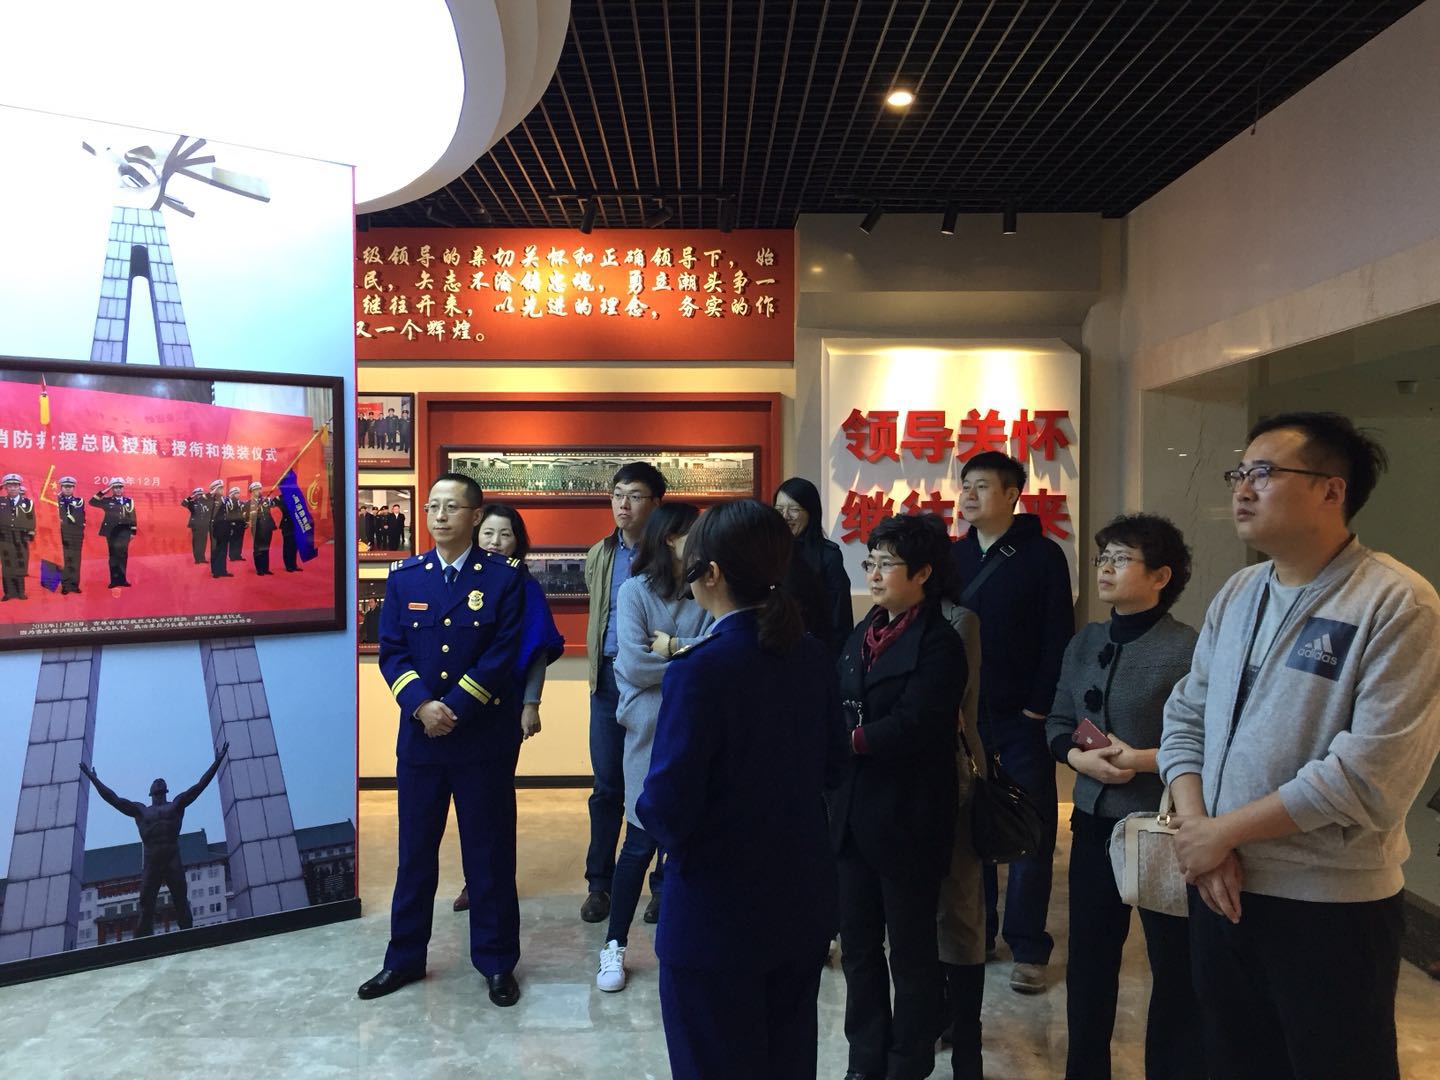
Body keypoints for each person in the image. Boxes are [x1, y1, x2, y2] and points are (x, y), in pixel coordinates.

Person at [1159, 412, 1440, 1080]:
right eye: (1238, 473)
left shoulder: (1395, 602)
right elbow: (1185, 715)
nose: (1242, 489)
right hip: (1220, 890)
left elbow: (1369, 774)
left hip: (1329, 907)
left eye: (1263, 473)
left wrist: (1222, 833)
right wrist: (1201, 833)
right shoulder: (1240, 593)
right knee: (1231, 1062)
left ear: (1330, 490)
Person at [637, 499, 846, 1079]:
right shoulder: (810, 654)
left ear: (711, 574)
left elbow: (668, 806)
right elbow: (835, 766)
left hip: (716, 911)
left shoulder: (699, 669)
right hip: (798, 900)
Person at [359, 474, 527, 1008]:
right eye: (433, 506)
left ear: (475, 516)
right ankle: (404, 958)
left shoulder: (503, 579)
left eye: (451, 507)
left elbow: (502, 654)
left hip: (482, 741)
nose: (439, 515)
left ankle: (496, 962)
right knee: (414, 856)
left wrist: (453, 708)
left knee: (489, 855)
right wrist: (421, 706)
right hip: (422, 743)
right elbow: (391, 651)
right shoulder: (406, 577)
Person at [1044, 514, 1203, 1080]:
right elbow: (1058, 721)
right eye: (1102, 558)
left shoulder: (1187, 648)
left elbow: (1208, 742)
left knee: (1176, 970)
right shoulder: (1086, 640)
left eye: (1120, 559)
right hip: (1093, 825)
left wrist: (1139, 760)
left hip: (1163, 829)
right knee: (1088, 966)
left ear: (1161, 576)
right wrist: (1076, 758)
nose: (1105, 568)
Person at [832, 512, 967, 1080]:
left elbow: (919, 723)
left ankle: (908, 1063)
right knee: (859, 950)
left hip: (909, 816)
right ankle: (864, 1060)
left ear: (923, 573)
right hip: (851, 817)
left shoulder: (940, 642)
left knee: (911, 953)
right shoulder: (862, 632)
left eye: (887, 564)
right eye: (871, 562)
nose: (875, 573)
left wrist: (850, 741)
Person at [950, 450, 1073, 993]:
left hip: (1022, 718)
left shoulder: (1043, 556)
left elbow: (1057, 635)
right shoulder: (953, 557)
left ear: (1011, 495)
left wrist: (1038, 707)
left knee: (1030, 829)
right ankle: (979, 933)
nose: (969, 495)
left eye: (981, 486)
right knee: (969, 827)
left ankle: (1028, 946)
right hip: (964, 718)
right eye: (965, 486)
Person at [595, 501, 710, 993]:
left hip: (697, 730)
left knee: (692, 845)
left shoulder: (707, 589)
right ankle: (614, 946)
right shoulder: (634, 591)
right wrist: (688, 656)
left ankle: (691, 947)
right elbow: (634, 666)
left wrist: (671, 648)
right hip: (646, 733)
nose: (702, 542)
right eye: (693, 534)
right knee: (639, 843)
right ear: (668, 539)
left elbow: (719, 653)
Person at [452, 502, 565, 913]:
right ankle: (474, 880)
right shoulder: (457, 581)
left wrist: (531, 703)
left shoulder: (524, 586)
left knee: (494, 798)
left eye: (505, 534)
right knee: (466, 799)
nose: (495, 542)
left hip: (503, 706)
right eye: (488, 533)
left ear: (518, 542)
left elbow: (537, 651)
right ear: (475, 535)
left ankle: (497, 882)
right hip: (459, 707)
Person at [581, 461, 668, 924]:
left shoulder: (670, 554)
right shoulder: (600, 553)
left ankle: (662, 886)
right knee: (607, 787)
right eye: (617, 494)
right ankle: (600, 884)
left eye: (634, 495)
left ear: (656, 503)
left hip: (655, 680)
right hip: (608, 680)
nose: (623, 504)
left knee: (661, 782)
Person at [79, 742, 229, 936]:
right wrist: (93, 778)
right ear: (151, 793)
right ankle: (143, 940)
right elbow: (114, 799)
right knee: (146, 903)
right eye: (156, 786)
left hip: (172, 857)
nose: (158, 784)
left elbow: (199, 787)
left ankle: (188, 937)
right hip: (152, 861)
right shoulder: (141, 811)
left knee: (181, 901)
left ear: (165, 791)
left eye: (160, 785)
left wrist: (217, 762)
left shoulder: (176, 805)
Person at [774, 476, 853, 655]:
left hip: (814, 651)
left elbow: (840, 616)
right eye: (779, 509)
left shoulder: (828, 555)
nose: (785, 516)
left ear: (811, 512)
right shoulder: (767, 552)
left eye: (794, 509)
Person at [90, 478, 138, 588]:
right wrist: (104, 491)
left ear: (123, 488)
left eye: (120, 487)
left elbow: (133, 516)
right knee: (113, 556)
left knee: (123, 555)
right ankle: (114, 581)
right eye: (115, 487)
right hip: (111, 531)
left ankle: (122, 580)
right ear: (112, 489)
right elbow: (92, 502)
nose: (118, 489)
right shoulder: (107, 500)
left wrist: (133, 531)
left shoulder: (128, 501)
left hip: (124, 531)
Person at [0, 472, 35, 600]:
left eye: (15, 485)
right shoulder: (1, 501)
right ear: (5, 487)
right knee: (7, 565)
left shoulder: (27, 502)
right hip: (4, 538)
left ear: (20, 487)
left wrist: (30, 534)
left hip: (21, 537)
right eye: (10, 486)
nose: (13, 488)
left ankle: (20, 592)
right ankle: (8, 593)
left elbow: (31, 519)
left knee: (20, 564)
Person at [57, 476, 86, 594]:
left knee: (75, 559)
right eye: (65, 486)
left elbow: (78, 516)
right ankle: (65, 585)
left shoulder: (79, 501)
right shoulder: (56, 500)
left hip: (76, 534)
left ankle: (74, 585)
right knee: (65, 559)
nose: (68, 489)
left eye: (70, 487)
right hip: (62, 534)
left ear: (73, 488)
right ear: (61, 488)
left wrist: (63, 519)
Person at [247, 482, 277, 575]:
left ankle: (265, 568)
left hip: (267, 527)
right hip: (257, 528)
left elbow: (274, 504)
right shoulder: (249, 503)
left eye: (259, 489)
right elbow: (246, 517)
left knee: (266, 547)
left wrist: (270, 499)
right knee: (258, 548)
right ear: (252, 491)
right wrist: (252, 513)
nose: (258, 491)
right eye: (256, 489)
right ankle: (259, 569)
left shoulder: (266, 500)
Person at [206, 479, 231, 578]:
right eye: (219, 488)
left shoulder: (225, 499)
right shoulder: (210, 500)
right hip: (214, 528)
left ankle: (223, 570)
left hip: (224, 527)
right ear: (215, 489)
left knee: (224, 549)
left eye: (222, 488)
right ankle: (215, 571)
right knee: (215, 549)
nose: (222, 490)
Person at [181, 485, 211, 564]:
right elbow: (183, 503)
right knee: (196, 542)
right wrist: (190, 497)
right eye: (198, 494)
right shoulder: (192, 503)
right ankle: (197, 559)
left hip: (204, 525)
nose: (200, 496)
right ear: (195, 495)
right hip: (196, 525)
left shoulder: (206, 503)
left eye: (201, 494)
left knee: (203, 542)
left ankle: (202, 558)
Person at [225, 486, 247, 561]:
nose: (238, 495)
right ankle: (232, 556)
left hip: (240, 524)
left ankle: (238, 555)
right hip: (232, 524)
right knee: (233, 540)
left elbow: (244, 513)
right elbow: (227, 514)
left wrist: (245, 522)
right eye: (236, 493)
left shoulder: (241, 503)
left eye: (238, 493)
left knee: (239, 540)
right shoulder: (227, 503)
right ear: (232, 494)